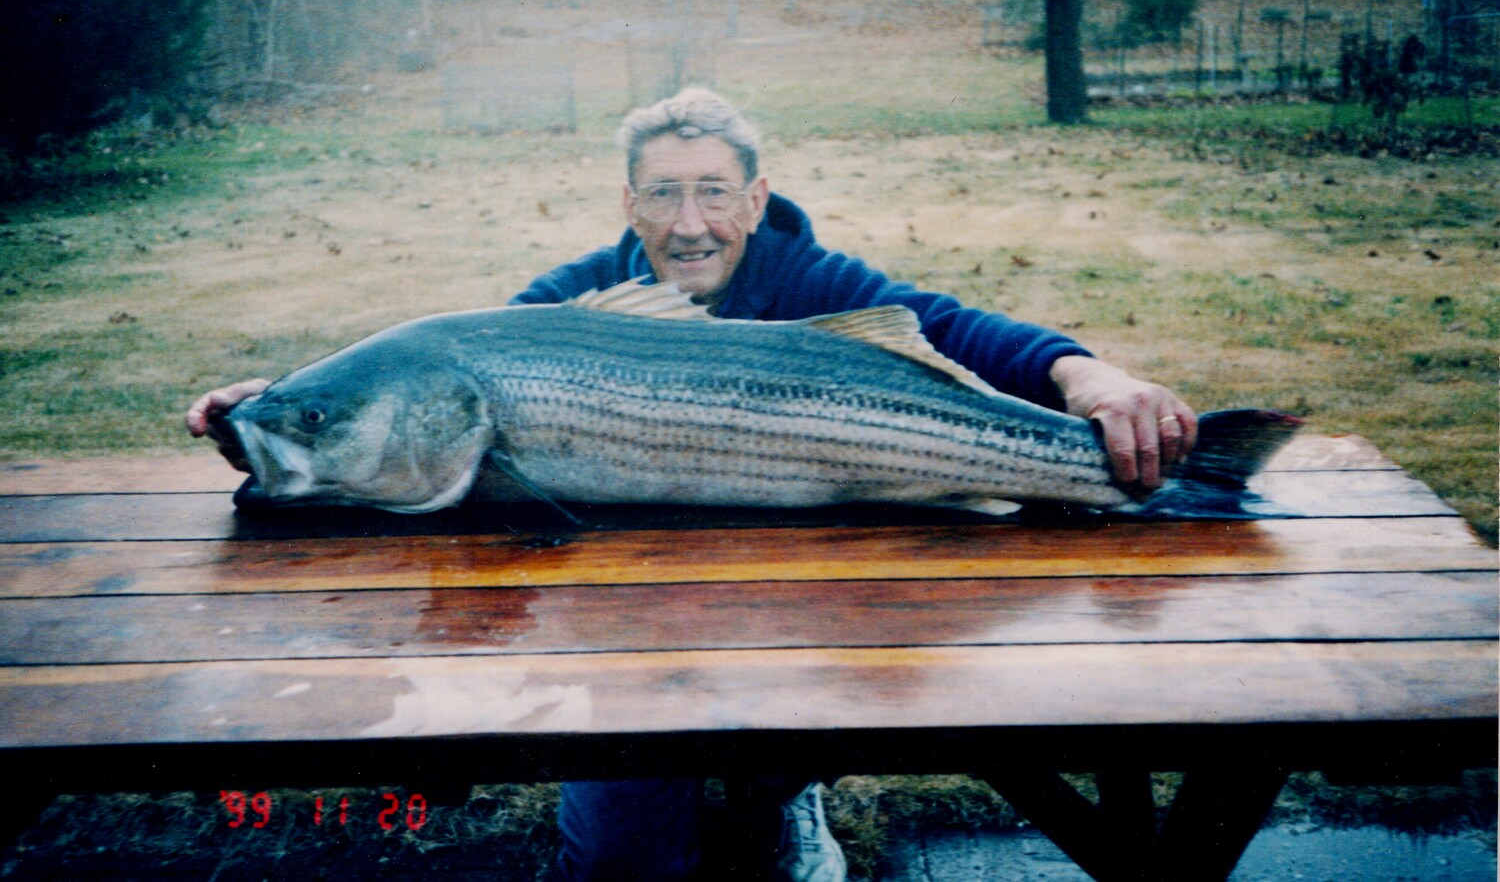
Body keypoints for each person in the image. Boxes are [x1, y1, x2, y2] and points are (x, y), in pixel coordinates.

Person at [187, 87, 1197, 881]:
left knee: (788, 727)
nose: (690, 221)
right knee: (628, 863)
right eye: (663, 194)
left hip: (800, 616)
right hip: (621, 638)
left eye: (715, 191)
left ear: (756, 200)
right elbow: (403, 400)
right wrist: (275, 411)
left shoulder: (818, 280)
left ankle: (779, 787)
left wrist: (1089, 377)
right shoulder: (549, 313)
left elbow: (959, 329)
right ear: (630, 206)